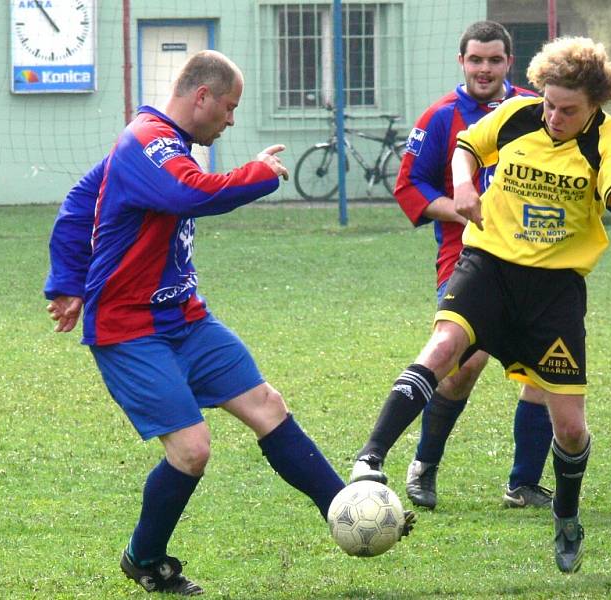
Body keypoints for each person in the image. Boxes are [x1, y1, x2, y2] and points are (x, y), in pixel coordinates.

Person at [44, 50, 412, 596]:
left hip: (186, 317)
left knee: (267, 405)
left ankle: (348, 508)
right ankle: (144, 558)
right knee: (191, 450)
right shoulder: (147, 140)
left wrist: (67, 280)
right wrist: (257, 175)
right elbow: (187, 191)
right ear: (202, 97)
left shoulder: (163, 141)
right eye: (231, 107)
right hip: (130, 327)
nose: (232, 119)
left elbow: (82, 199)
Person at [351, 37, 611, 573]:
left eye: (569, 110)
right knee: (446, 348)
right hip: (488, 265)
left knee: (570, 427)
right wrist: (466, 187)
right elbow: (468, 145)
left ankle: (566, 515)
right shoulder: (517, 113)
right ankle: (370, 459)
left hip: (555, 291)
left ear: (594, 105)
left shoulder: (609, 137)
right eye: (550, 104)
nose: (555, 117)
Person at [386, 20, 554, 511]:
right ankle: (425, 465)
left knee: (546, 368)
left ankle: (522, 483)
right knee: (463, 362)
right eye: (475, 60)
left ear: (509, 62)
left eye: (494, 60)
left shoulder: (533, 107)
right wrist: (462, 207)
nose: (484, 69)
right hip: (465, 256)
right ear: (462, 62)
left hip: (533, 259)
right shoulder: (441, 116)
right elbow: (409, 187)